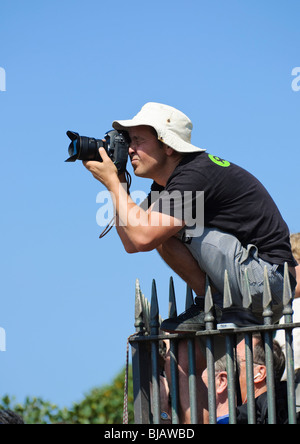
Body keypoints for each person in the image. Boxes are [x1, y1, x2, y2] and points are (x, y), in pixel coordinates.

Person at [83, 102, 297, 331]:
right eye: (128, 141)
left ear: (168, 146)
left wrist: (113, 184)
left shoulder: (194, 174)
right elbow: (132, 241)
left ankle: (211, 305)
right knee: (157, 225)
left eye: (138, 140)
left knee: (160, 226)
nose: (131, 149)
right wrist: (119, 183)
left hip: (268, 281)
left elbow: (144, 236)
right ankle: (211, 304)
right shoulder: (168, 183)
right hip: (251, 276)